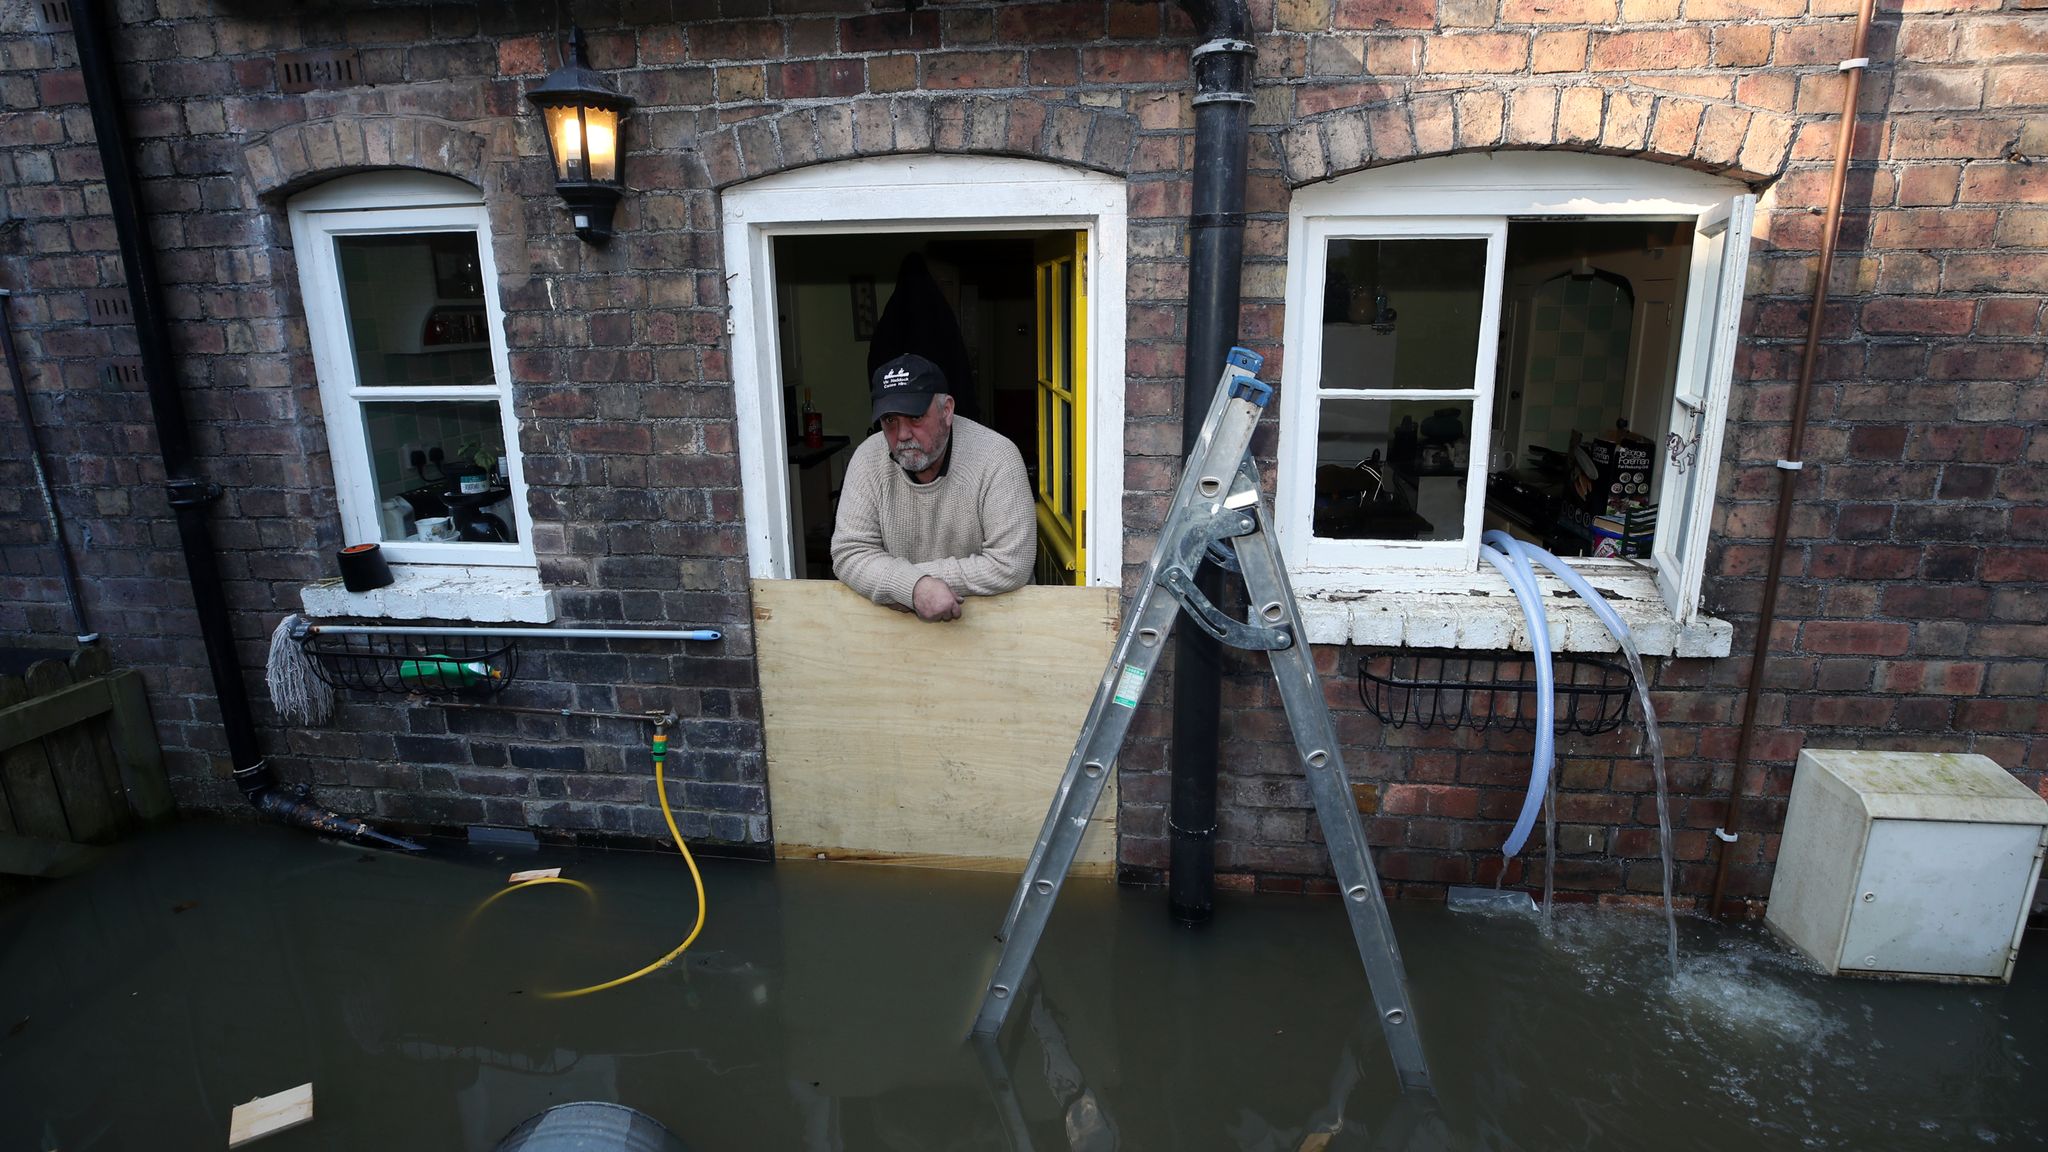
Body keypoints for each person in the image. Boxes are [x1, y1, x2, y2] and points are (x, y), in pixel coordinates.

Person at [831, 353, 1035, 621]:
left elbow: (1012, 564)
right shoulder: (867, 458)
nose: (902, 434)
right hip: (900, 637)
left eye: (915, 417)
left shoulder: (998, 457)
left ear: (947, 410)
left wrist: (910, 581)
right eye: (890, 420)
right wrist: (915, 588)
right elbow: (849, 553)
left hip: (999, 627)